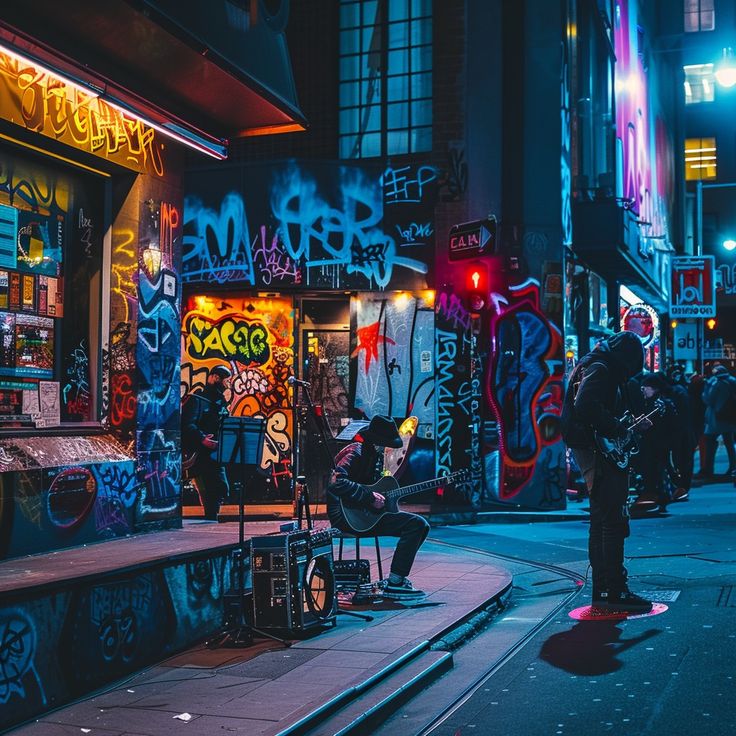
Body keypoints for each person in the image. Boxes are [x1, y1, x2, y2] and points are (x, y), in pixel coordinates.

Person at [561, 331, 653, 613]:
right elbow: (586, 406)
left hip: (590, 446)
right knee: (611, 520)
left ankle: (604, 587)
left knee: (602, 519)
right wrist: (617, 428)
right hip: (597, 450)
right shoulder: (601, 368)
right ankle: (613, 588)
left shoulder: (595, 363)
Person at [327, 415, 430, 600]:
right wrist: (368, 497)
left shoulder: (374, 455)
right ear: (377, 442)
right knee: (416, 525)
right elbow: (336, 482)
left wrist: (383, 498)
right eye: (386, 443)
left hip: (364, 516)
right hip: (346, 518)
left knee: (420, 525)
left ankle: (396, 580)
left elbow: (374, 489)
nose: (388, 448)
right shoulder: (356, 452)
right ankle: (396, 583)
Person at [181, 365, 231, 520]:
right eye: (226, 381)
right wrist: (202, 438)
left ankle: (211, 516)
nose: (228, 385)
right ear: (215, 378)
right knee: (209, 491)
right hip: (200, 456)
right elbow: (187, 424)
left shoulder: (220, 403)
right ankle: (210, 518)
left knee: (221, 488)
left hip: (216, 455)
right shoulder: (197, 400)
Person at [630, 372, 677, 511]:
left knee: (654, 469)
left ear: (655, 388)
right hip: (660, 442)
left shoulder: (658, 404)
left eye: (646, 387)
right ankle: (661, 496)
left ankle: (655, 496)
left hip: (656, 442)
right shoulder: (660, 402)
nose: (643, 390)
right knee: (659, 469)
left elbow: (656, 424)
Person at [701, 363, 736, 478]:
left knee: (710, 442)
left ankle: (708, 468)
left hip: (717, 417)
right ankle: (733, 467)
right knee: (729, 444)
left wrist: (705, 388)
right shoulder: (733, 381)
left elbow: (708, 400)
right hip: (731, 417)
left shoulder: (717, 384)